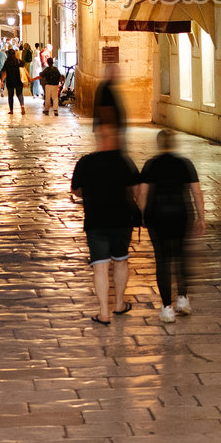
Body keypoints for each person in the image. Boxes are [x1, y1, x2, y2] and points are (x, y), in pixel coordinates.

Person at [70, 115, 143, 323]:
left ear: (98, 138)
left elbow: (75, 190)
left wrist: (90, 195)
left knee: (100, 265)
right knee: (121, 261)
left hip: (96, 220)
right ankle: (119, 303)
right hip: (122, 220)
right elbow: (138, 189)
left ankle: (104, 313)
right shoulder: (124, 161)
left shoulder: (86, 162)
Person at [141, 129, 205, 323]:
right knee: (181, 255)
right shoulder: (185, 164)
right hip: (180, 213)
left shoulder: (151, 165)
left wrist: (143, 216)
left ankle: (167, 308)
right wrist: (201, 217)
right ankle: (183, 299)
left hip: (157, 214)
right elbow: (197, 192)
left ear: (159, 144)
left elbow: (143, 193)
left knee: (162, 260)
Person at [3, 49, 27, 114]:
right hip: (18, 80)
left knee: (10, 96)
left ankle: (11, 110)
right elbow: (23, 67)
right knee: (19, 94)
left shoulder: (7, 62)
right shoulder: (18, 61)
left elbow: (4, 73)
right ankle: (22, 105)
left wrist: (2, 81)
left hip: (10, 81)